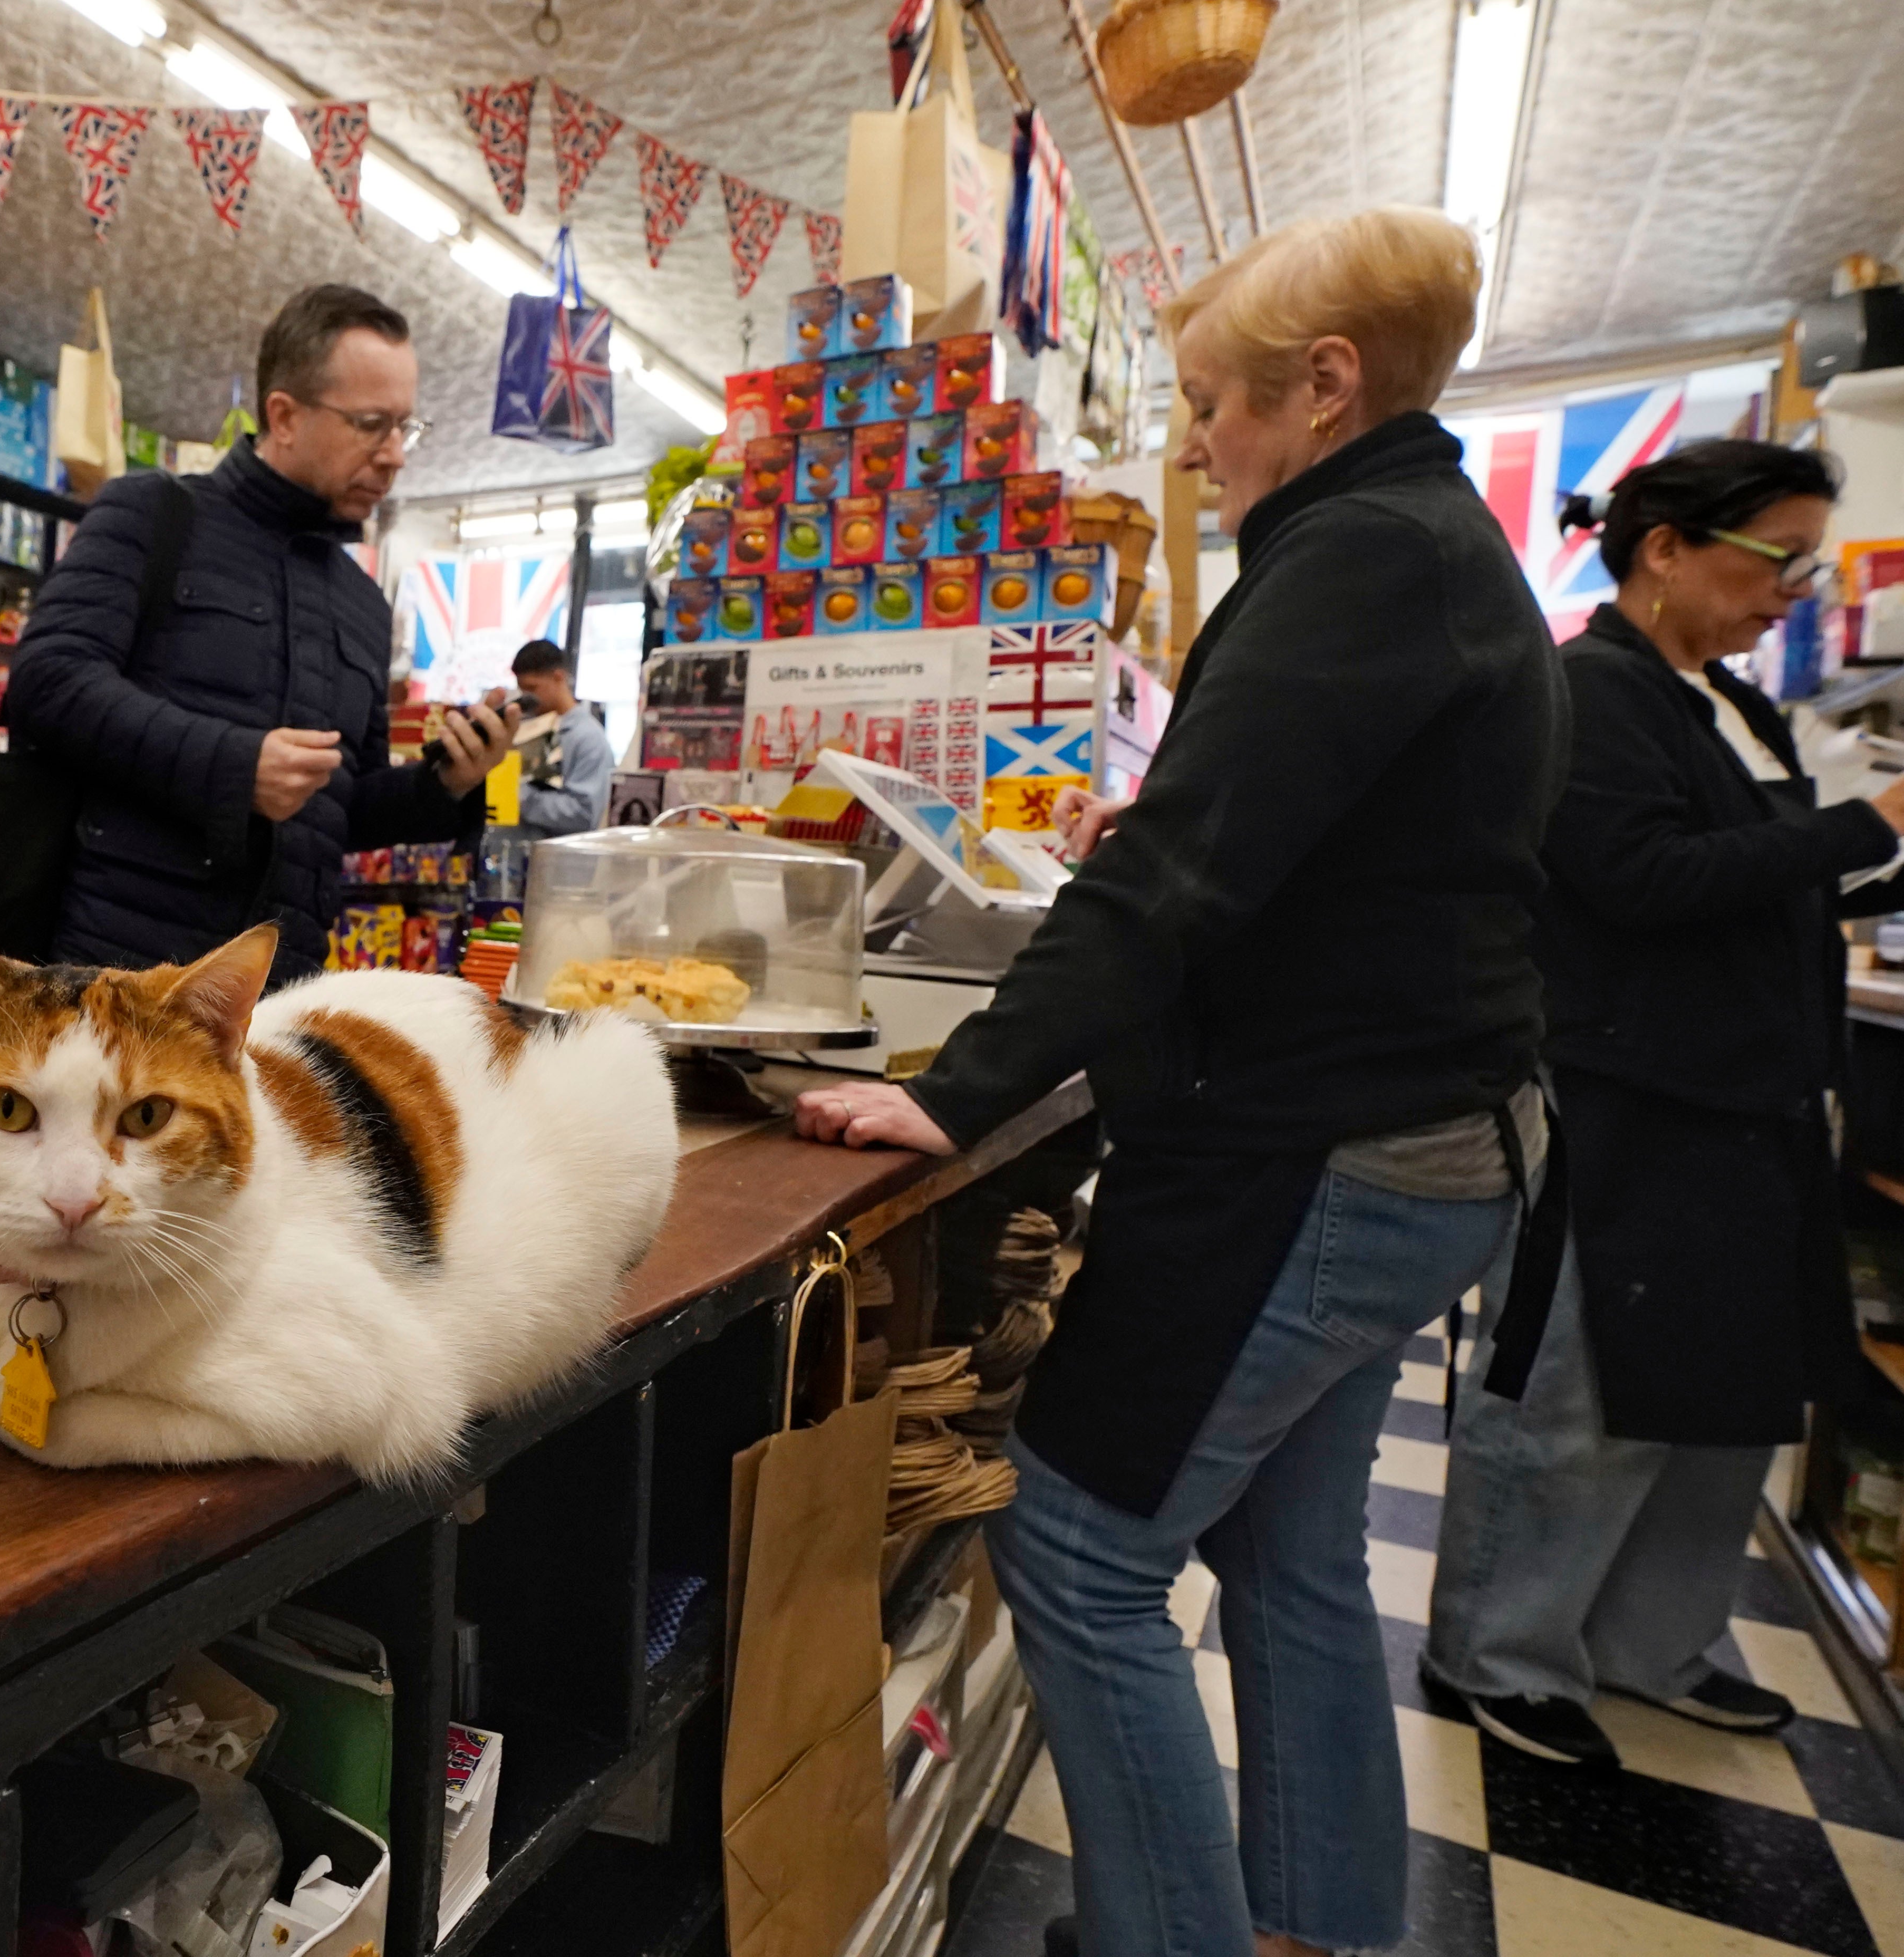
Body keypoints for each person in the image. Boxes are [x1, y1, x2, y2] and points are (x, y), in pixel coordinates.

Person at [791, 208, 1567, 1957]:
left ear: (1325, 384)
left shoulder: (1361, 553)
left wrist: (959, 1091)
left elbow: (1184, 881)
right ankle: (1314, 1929)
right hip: (1433, 1153)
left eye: (1216, 402)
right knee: (1292, 1568)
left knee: (1074, 1555)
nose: (1198, 441)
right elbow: (1342, 843)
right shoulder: (1429, 544)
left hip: (1321, 1158)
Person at [1423, 443, 1904, 1768]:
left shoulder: (1722, 705)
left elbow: (1754, 879)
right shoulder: (1590, 692)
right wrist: (1865, 826)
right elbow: (1637, 878)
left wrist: (1848, 871)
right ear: (1664, 548)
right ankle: (1496, 1651)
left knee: (1722, 1397)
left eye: (1807, 561)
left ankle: (1647, 1641)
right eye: (1774, 558)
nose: (1792, 590)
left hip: (1746, 1106)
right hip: (1625, 1102)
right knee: (1577, 1396)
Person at [6, 284, 514, 985]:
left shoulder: (364, 603)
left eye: (406, 427)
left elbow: (339, 805)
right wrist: (235, 766)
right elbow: (49, 679)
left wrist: (445, 783)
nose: (396, 455)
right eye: (371, 423)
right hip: (119, 975)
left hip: (279, 991)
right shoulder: (152, 515)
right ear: (284, 416)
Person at [505, 638, 615, 840]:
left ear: (558, 677)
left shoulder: (587, 739)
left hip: (560, 863)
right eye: (522, 690)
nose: (526, 698)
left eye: (533, 689)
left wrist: (515, 795)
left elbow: (584, 815)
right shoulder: (524, 727)